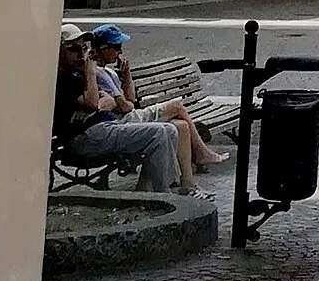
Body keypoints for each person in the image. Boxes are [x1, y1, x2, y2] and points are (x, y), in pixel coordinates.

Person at [86, 24, 228, 182]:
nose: (121, 52)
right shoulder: (99, 73)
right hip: (123, 121)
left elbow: (130, 99)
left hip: (128, 117)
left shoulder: (109, 71)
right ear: (103, 49)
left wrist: (127, 76)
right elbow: (127, 106)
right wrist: (122, 102)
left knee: (181, 126)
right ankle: (201, 154)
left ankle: (187, 183)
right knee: (176, 106)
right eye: (117, 47)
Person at [54, 28, 184, 192]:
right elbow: (95, 104)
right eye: (74, 48)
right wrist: (91, 72)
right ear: (58, 49)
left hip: (105, 126)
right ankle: (163, 193)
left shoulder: (77, 74)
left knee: (170, 130)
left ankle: (146, 191)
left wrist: (99, 100)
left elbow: (105, 101)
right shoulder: (63, 77)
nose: (81, 54)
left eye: (83, 48)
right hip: (85, 137)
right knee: (158, 133)